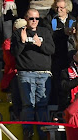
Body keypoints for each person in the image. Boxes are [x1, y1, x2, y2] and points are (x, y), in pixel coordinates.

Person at [11, 9, 55, 140]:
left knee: (42, 105)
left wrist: (40, 44)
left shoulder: (45, 32)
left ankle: (43, 134)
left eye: (37, 18)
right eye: (31, 18)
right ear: (25, 19)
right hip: (25, 73)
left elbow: (51, 50)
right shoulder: (18, 33)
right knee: (28, 105)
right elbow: (14, 53)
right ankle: (28, 133)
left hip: (44, 74)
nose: (34, 21)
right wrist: (22, 42)